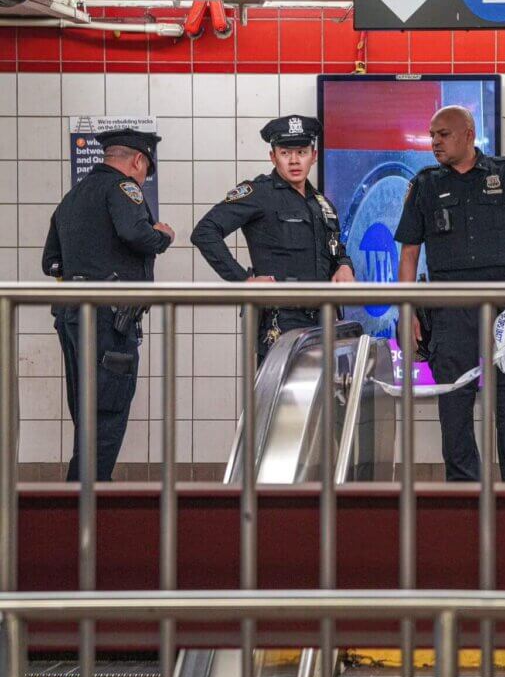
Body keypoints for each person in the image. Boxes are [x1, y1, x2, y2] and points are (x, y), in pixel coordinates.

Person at [395, 105, 505, 482]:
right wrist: (406, 310)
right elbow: (410, 251)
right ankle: (463, 493)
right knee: (454, 407)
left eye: (443, 134)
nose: (434, 142)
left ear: (468, 134)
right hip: (450, 308)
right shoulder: (426, 183)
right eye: (432, 135)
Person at [41, 129, 175, 482]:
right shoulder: (122, 189)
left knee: (86, 411)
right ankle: (88, 495)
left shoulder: (72, 197)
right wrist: (163, 235)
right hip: (109, 318)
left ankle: (84, 490)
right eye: (146, 169)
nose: (144, 177)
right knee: (107, 410)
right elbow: (137, 235)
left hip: (71, 314)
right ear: (138, 160)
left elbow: (51, 263)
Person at [191, 115, 354, 362]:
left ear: (314, 155)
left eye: (301, 151)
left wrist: (344, 264)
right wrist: (243, 280)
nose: (295, 160)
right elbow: (204, 232)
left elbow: (335, 248)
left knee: (324, 399)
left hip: (326, 319)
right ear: (273, 157)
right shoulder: (259, 193)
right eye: (286, 152)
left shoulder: (322, 203)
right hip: (282, 322)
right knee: (281, 400)